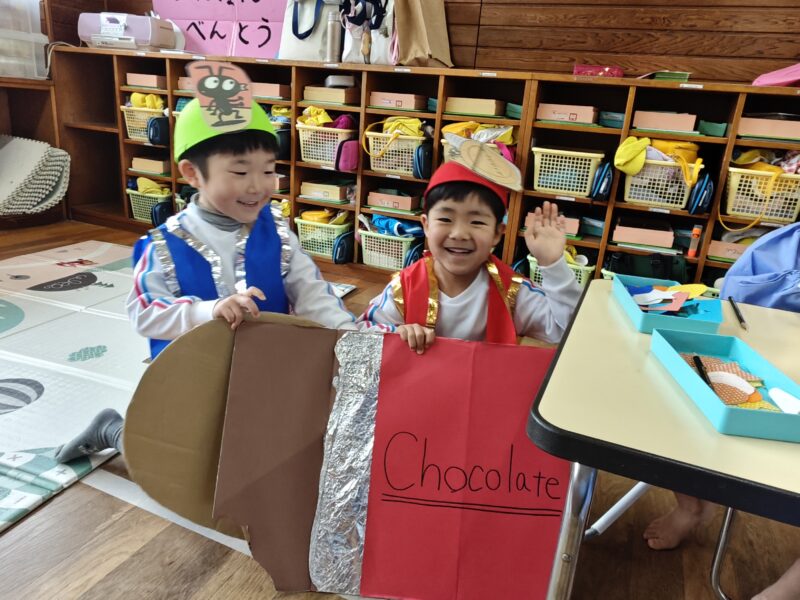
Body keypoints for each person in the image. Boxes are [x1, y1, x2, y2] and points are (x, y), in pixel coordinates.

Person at [56, 92, 355, 463]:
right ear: (192, 173)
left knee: (283, 458)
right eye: (240, 172)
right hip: (194, 386)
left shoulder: (278, 233)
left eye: (267, 170)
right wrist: (207, 311)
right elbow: (145, 313)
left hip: (267, 377)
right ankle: (113, 429)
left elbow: (314, 295)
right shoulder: (162, 246)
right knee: (180, 469)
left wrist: (353, 340)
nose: (257, 186)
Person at [644, 223, 800, 562]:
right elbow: (734, 306)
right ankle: (690, 505)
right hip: (753, 356)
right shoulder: (784, 246)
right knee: (678, 401)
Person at [358, 160, 581, 350]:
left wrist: (552, 263)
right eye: (445, 219)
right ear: (426, 225)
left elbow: (568, 330)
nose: (459, 234)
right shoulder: (404, 288)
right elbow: (361, 333)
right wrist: (397, 333)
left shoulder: (511, 291)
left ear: (497, 233)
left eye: (477, 222)